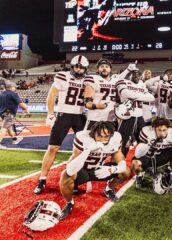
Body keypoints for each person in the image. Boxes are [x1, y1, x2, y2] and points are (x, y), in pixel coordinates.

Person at [33, 55, 89, 194]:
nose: (79, 69)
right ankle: (42, 179)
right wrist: (50, 114)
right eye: (76, 66)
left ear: (85, 68)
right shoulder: (62, 76)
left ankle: (71, 177)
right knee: (52, 148)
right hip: (64, 115)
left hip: (80, 116)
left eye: (81, 67)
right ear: (72, 66)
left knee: (79, 150)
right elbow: (52, 95)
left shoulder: (88, 80)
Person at [59, 121, 130, 220]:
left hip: (99, 170)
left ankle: (108, 189)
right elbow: (70, 168)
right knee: (65, 175)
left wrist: (112, 169)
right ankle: (69, 203)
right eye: (100, 136)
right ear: (93, 134)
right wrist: (87, 150)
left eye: (106, 137)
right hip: (82, 170)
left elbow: (122, 162)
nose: (103, 140)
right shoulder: (83, 138)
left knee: (126, 172)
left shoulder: (115, 139)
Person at [131, 118, 172, 193]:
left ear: (168, 129)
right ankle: (139, 176)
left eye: (164, 130)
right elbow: (138, 153)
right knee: (135, 163)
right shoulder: (147, 132)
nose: (162, 133)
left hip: (161, 156)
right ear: (154, 128)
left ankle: (169, 172)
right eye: (159, 130)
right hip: (147, 156)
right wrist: (149, 144)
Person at [116, 64, 154, 156]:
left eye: (138, 74)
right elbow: (125, 94)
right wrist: (141, 96)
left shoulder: (142, 84)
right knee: (122, 143)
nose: (136, 76)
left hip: (140, 116)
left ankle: (141, 164)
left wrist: (134, 96)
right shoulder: (124, 81)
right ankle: (120, 163)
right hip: (126, 116)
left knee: (144, 141)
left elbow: (151, 97)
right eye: (134, 74)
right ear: (129, 74)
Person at [0, 81, 30, 148]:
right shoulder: (13, 94)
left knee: (8, 127)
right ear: (11, 87)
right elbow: (20, 104)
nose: (15, 88)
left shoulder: (1, 94)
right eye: (14, 87)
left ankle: (14, 139)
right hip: (9, 113)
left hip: (2, 113)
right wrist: (26, 108)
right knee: (4, 127)